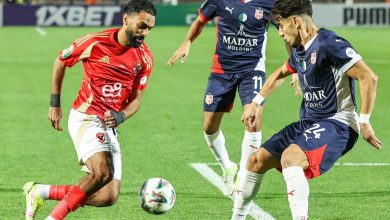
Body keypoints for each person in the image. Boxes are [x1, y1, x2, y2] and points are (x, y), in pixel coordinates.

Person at [231, 0, 382, 219]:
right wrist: (256, 102)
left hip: (338, 124)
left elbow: (369, 77)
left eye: (281, 26)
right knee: (256, 161)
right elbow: (278, 74)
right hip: (309, 123)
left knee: (291, 157)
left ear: (295, 21)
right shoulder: (299, 49)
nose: (280, 33)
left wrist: (365, 120)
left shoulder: (330, 43)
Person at [22, 1, 156, 219]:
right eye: (142, 26)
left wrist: (121, 115)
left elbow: (136, 100)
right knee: (102, 172)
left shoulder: (144, 58)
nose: (145, 33)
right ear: (126, 20)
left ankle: (40, 191)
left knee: (108, 196)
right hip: (86, 117)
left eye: (150, 28)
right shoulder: (94, 42)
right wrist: (55, 103)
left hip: (109, 124)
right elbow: (60, 61)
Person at [167, 0, 299, 196]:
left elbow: (286, 33)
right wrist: (187, 42)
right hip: (221, 71)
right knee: (209, 127)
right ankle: (227, 166)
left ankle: (245, 176)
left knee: (252, 120)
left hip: (252, 70)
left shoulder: (269, 4)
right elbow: (200, 20)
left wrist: (294, 66)